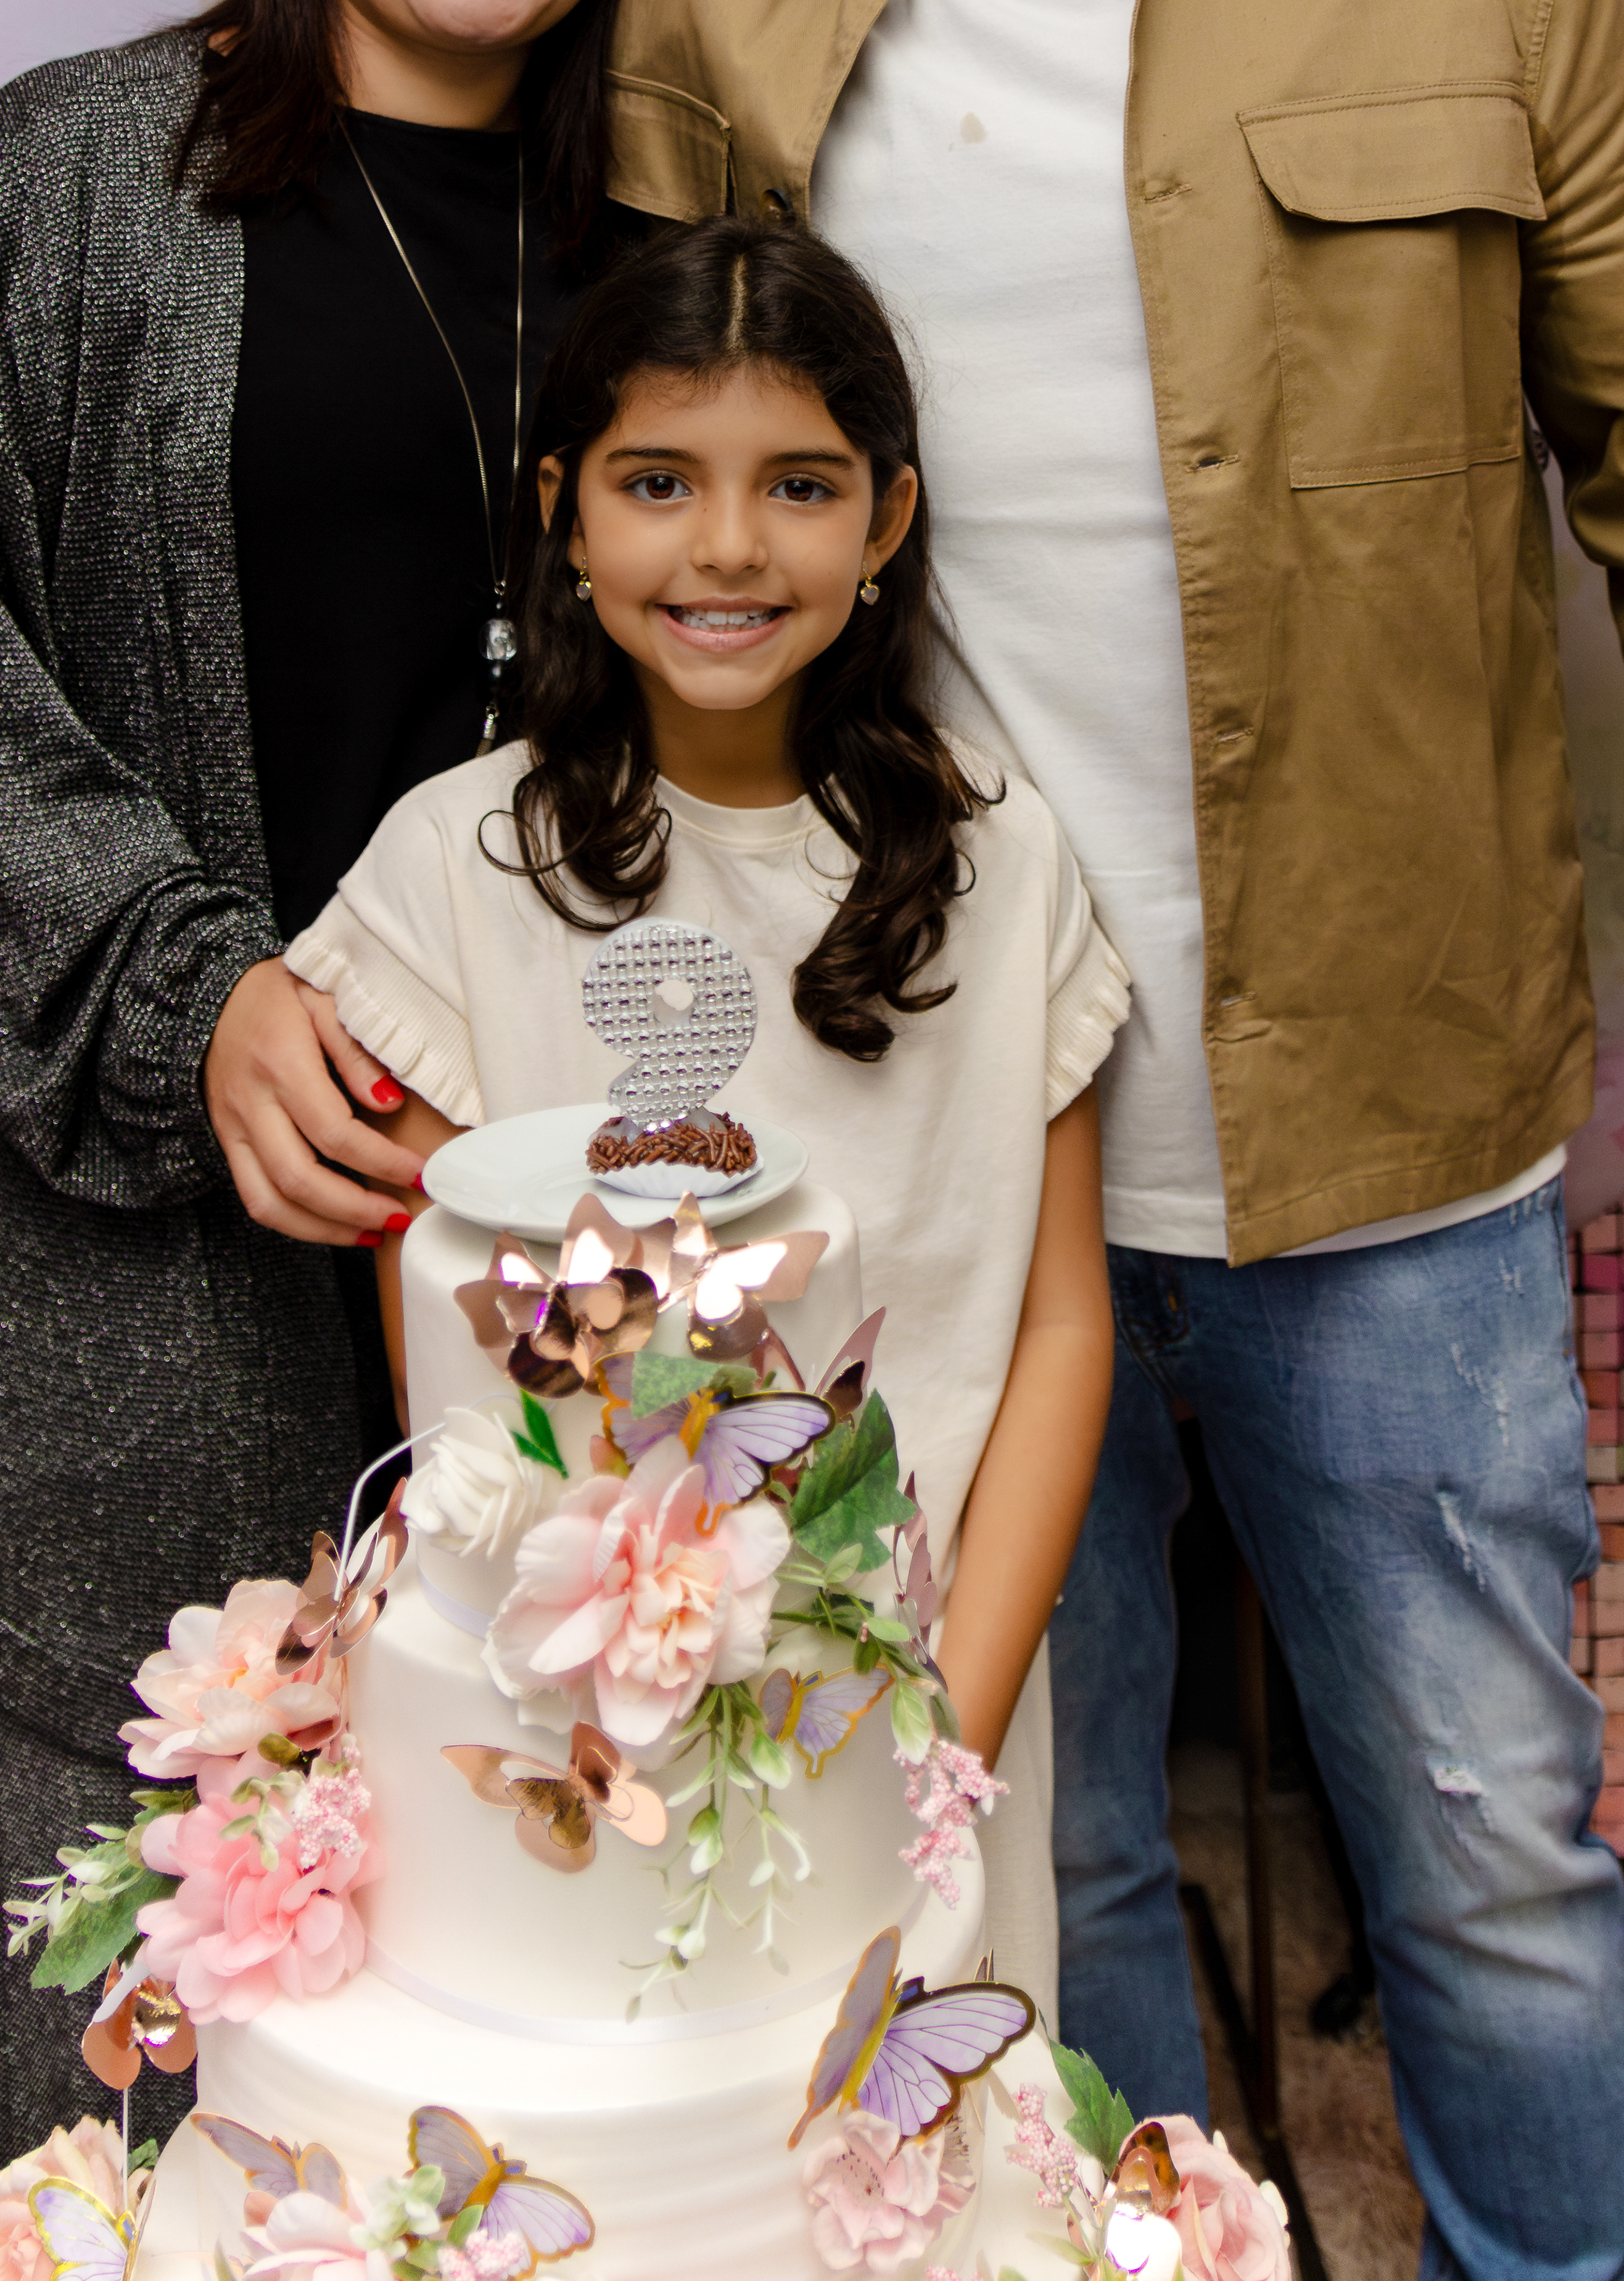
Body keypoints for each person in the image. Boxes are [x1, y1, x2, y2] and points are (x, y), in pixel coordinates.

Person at [0, 0, 1624, 2281]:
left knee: (1494, 1845)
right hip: (897, 1143)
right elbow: (376, 10)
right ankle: (1129, 2236)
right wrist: (2, 152)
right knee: (1020, 1851)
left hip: (1374, 1114)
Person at [0, 0, 676, 2163]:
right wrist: (188, 991)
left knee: (538, 2013)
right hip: (143, 1258)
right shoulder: (62, 183)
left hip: (547, 1260)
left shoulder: (674, 243)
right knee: (159, 2054)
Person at [284, 211, 1123, 1998]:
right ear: (563, 512)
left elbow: (1055, 1324)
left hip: (916, 1692)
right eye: (659, 481)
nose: (729, 545)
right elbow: (456, 1372)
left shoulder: (1005, 863)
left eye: (801, 487)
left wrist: (941, 1737)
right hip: (565, 1724)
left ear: (887, 521)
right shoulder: (453, 867)